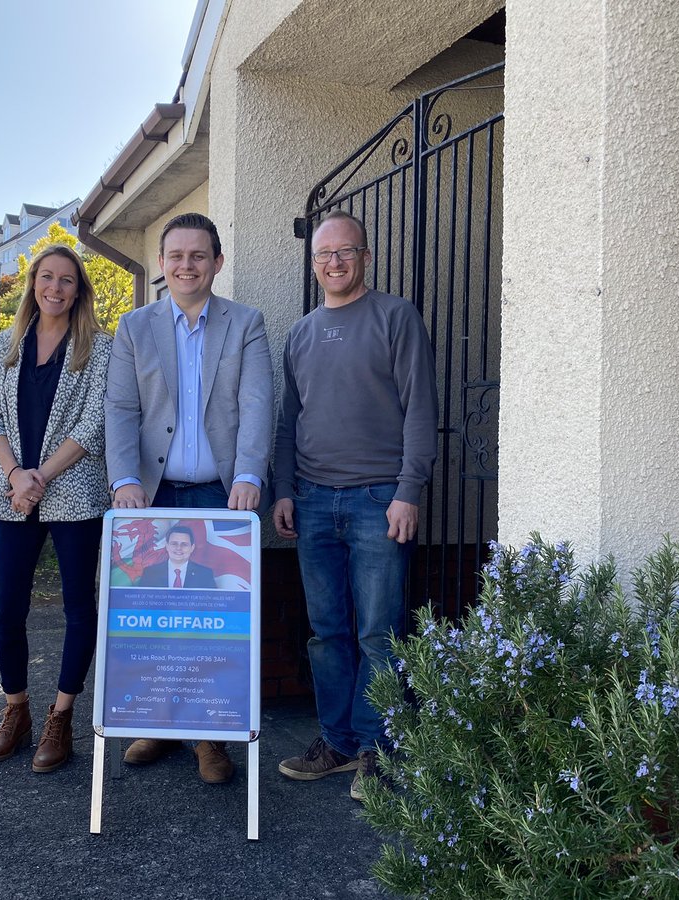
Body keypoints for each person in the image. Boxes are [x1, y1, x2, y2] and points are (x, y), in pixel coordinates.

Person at [273, 210, 438, 801]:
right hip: (313, 501)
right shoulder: (300, 333)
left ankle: (377, 750)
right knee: (326, 633)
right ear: (313, 263)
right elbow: (288, 423)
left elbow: (421, 411)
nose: (335, 262)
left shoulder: (396, 318)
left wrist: (407, 491)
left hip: (378, 501)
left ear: (365, 256)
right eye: (324, 255)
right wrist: (284, 489)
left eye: (346, 252)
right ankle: (337, 743)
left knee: (378, 633)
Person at [105, 211, 273, 784]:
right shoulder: (134, 328)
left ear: (216, 263)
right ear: (162, 264)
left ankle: (210, 736)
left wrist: (250, 474)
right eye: (176, 256)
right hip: (150, 497)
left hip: (221, 498)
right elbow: (123, 409)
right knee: (157, 620)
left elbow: (256, 406)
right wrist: (124, 479)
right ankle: (160, 723)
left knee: (212, 619)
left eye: (198, 256)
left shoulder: (246, 324)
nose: (186, 265)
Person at [0, 244, 112, 773]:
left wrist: (41, 477)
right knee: (6, 609)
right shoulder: (6, 343)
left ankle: (61, 718)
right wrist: (16, 475)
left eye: (66, 281)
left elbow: (93, 424)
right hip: (12, 492)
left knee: (80, 608)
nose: (55, 288)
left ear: (79, 291)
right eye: (47, 277)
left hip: (74, 491)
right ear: (34, 283)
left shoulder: (99, 347)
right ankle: (17, 712)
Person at [137, 524, 217, 588]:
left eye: (184, 544)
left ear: (192, 548)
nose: (179, 548)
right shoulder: (150, 573)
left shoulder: (205, 574)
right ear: (167, 546)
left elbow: (211, 604)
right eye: (174, 543)